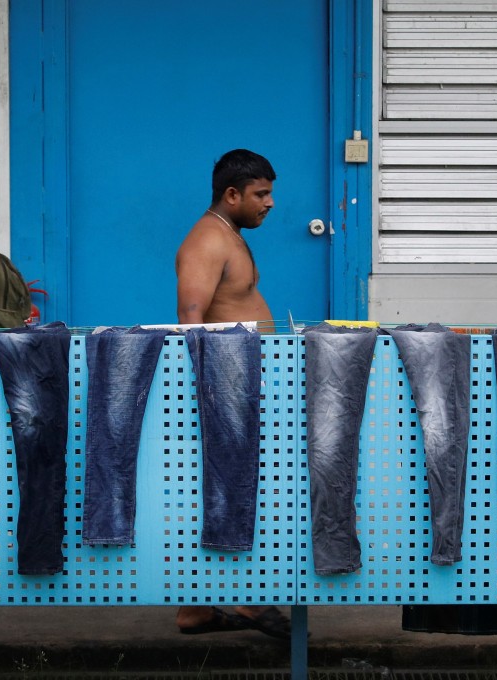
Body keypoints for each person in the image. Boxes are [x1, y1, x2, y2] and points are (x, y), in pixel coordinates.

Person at [173, 149, 289, 639]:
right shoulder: (206, 241)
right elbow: (191, 320)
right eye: (262, 194)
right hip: (226, 385)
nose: (271, 203)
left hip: (244, 379)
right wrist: (210, 395)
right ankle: (249, 602)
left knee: (240, 489)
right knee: (234, 489)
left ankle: (199, 610)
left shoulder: (229, 234)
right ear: (233, 194)